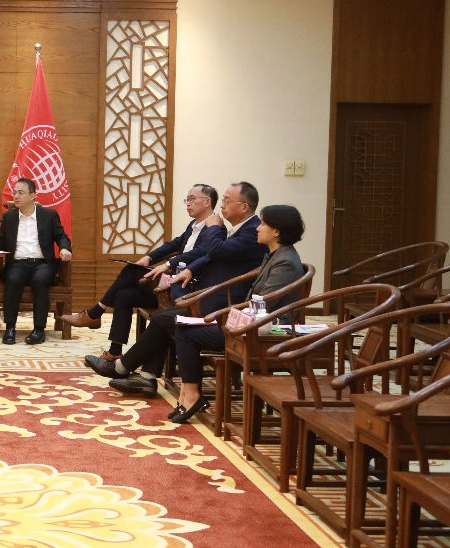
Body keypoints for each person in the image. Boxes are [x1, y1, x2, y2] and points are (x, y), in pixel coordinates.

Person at [107, 181, 267, 401]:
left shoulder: (249, 232)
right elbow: (210, 255)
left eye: (227, 201)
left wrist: (214, 228)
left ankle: (124, 367)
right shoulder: (240, 229)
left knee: (165, 318)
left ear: (244, 206)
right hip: (208, 295)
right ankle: (144, 375)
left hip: (222, 304)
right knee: (161, 314)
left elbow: (216, 251)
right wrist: (190, 269)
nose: (222, 205)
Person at [168, 205, 306, 424]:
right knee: (183, 328)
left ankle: (191, 395)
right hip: (253, 325)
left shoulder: (285, 262)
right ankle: (188, 393)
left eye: (263, 224)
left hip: (265, 333)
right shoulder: (275, 255)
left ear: (277, 231)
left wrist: (230, 317)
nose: (258, 228)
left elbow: (264, 304)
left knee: (187, 334)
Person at [65, 184, 219, 378]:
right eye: (186, 199)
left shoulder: (215, 230)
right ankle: (114, 352)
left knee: (131, 272)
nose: (188, 204)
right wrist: (149, 258)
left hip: (186, 289)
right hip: (170, 285)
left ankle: (96, 312)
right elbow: (174, 244)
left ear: (207, 202)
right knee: (124, 295)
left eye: (192, 199)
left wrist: (168, 264)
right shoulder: (193, 226)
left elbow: (201, 253)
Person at [0, 176, 73, 346]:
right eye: (14, 193)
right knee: (13, 278)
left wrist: (65, 248)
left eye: (21, 193)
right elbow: (1, 240)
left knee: (40, 279)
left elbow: (61, 236)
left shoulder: (48, 215)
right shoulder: (10, 217)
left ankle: (39, 330)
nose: (16, 196)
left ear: (33, 196)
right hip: (18, 263)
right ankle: (10, 328)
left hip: (41, 263)